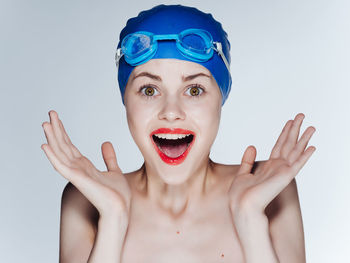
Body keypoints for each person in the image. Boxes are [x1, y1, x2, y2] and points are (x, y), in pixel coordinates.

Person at [41, 4, 316, 263]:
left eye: (194, 90)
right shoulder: (87, 200)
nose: (171, 112)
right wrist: (113, 219)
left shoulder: (270, 190)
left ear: (220, 98)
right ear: (126, 99)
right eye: (149, 90)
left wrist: (251, 221)